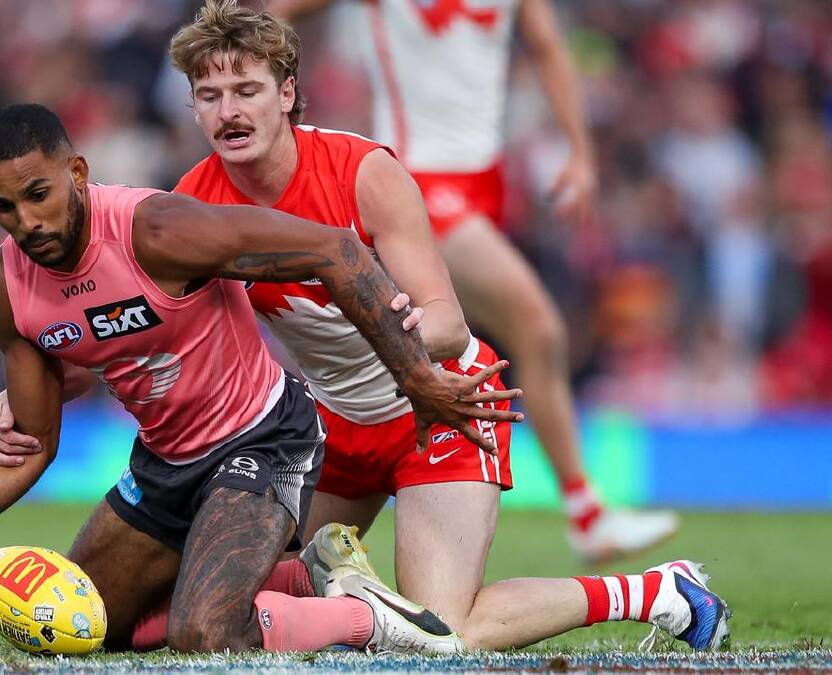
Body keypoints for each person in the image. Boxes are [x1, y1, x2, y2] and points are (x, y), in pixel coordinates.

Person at [0, 0, 729, 653]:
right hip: (331, 428)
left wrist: (395, 342)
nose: (228, 110)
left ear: (287, 92)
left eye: (246, 89)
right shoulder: (191, 203)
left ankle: (658, 591)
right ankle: (346, 580)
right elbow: (136, 334)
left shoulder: (363, 172)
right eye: (209, 94)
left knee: (448, 630)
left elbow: (443, 318)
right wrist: (28, 395)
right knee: (203, 606)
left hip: (441, 404)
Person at [0, 102, 522, 654]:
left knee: (205, 632)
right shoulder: (8, 289)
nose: (26, 222)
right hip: (165, 463)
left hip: (265, 438)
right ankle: (312, 574)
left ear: (77, 171)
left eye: (38, 194)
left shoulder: (157, 231)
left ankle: (364, 617)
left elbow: (333, 249)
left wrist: (419, 377)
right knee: (88, 624)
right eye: (2, 207)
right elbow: (33, 444)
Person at [265, 0, 679, 563]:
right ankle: (586, 513)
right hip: (416, 177)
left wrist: (580, 152)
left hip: (484, 179)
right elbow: (275, 14)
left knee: (462, 338)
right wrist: (281, 115)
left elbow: (548, 48)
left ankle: (370, 462)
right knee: (536, 326)